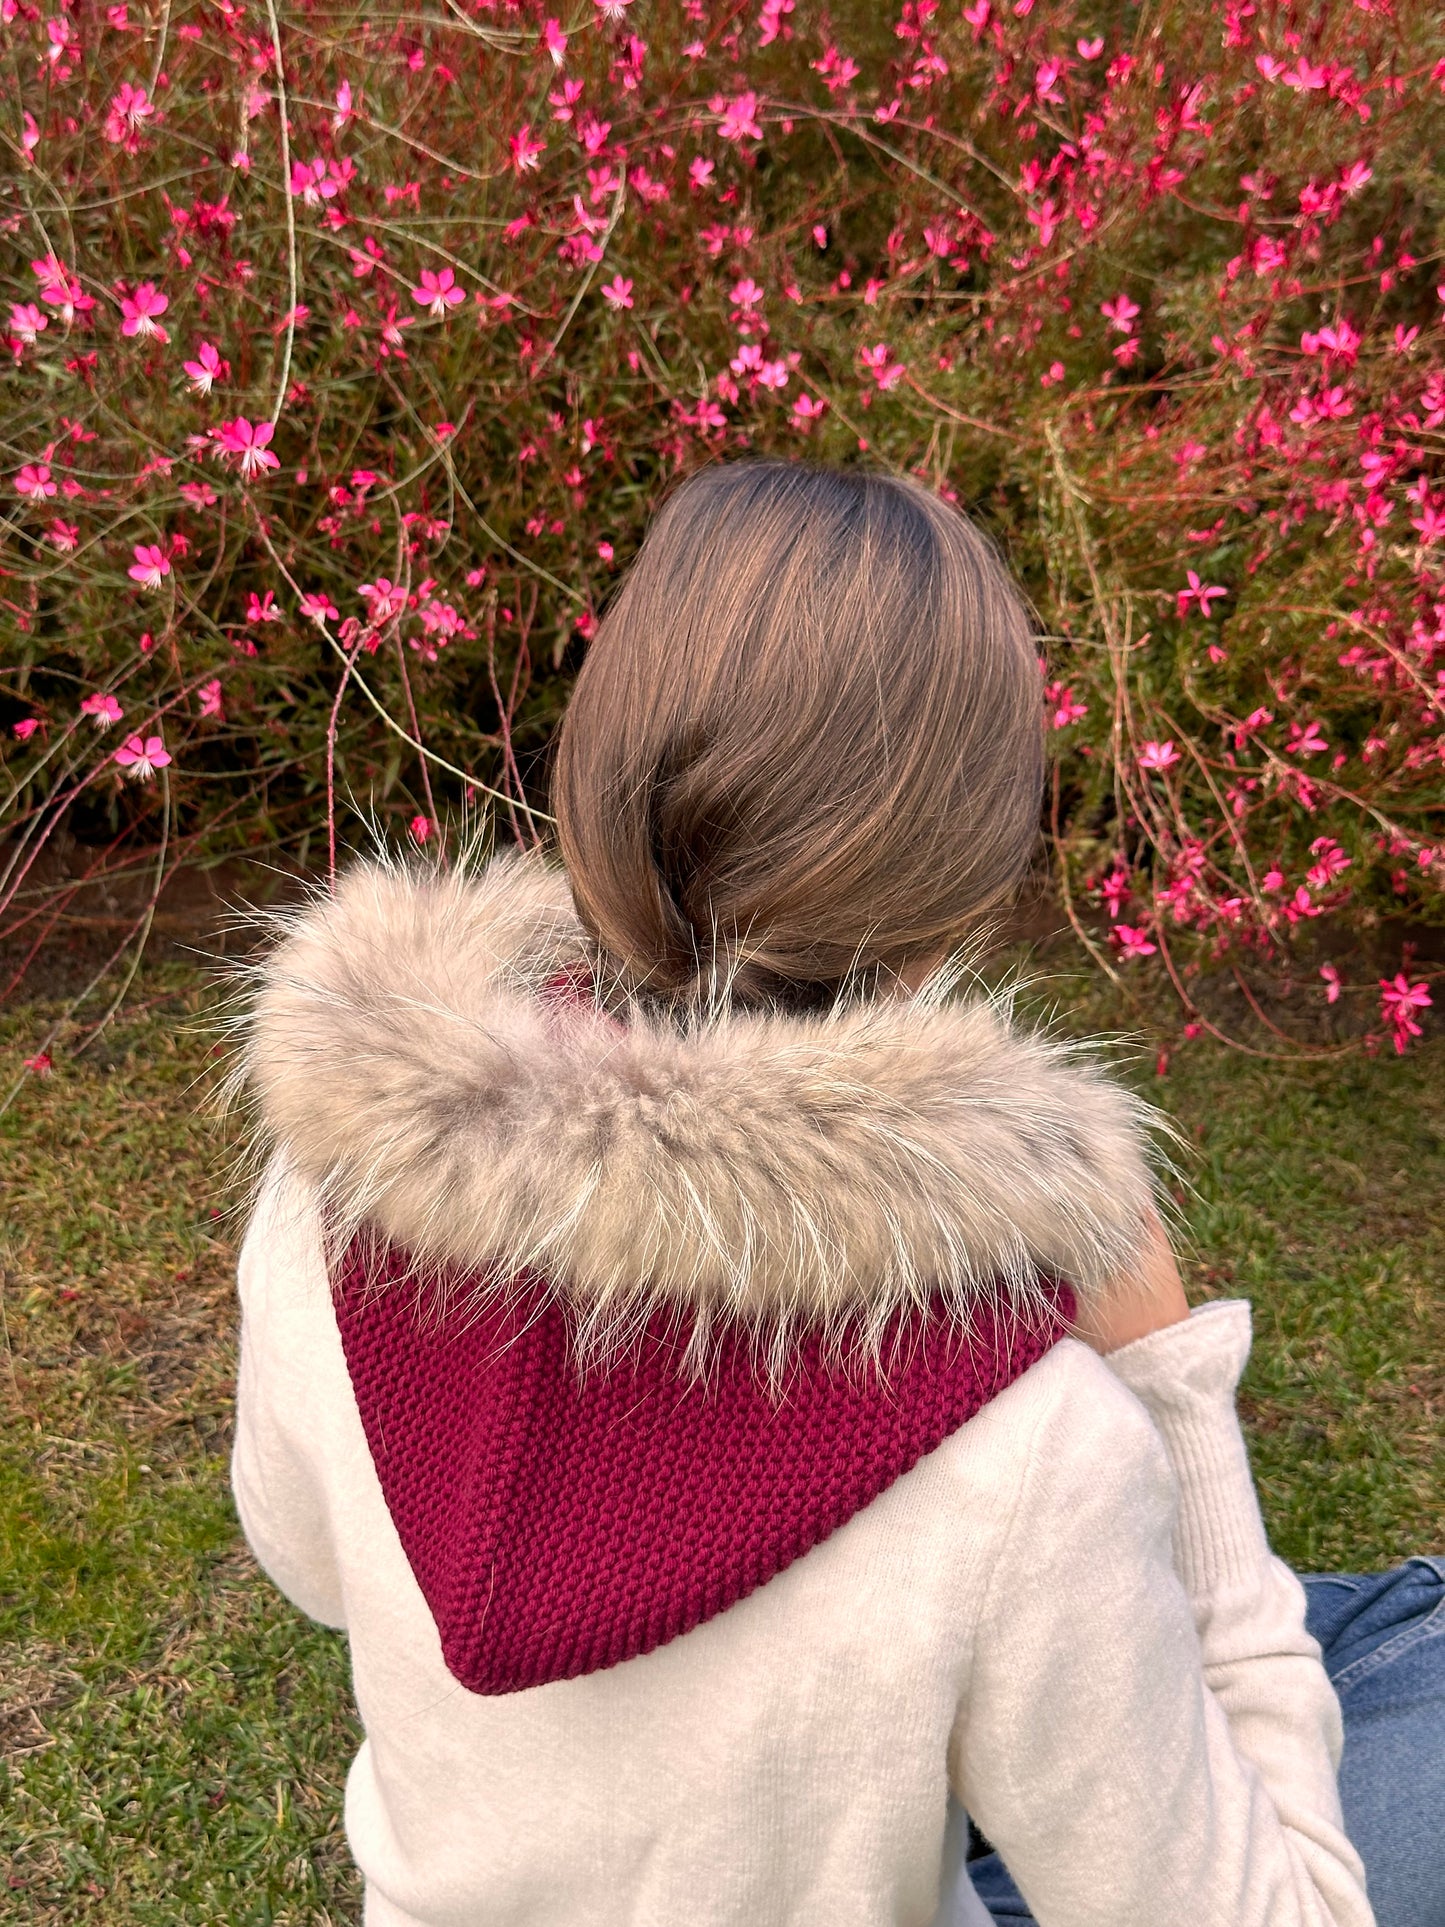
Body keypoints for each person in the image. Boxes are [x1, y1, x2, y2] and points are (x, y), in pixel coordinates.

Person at [233, 462, 1440, 1927]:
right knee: (1407, 1648)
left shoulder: (336, 1185)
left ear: (602, 770)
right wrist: (1171, 1391)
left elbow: (312, 1569)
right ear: (957, 894)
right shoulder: (1021, 1447)